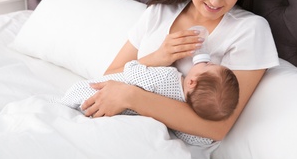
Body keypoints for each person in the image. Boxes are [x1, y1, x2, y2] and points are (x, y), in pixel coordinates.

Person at [81, 0, 279, 159]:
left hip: (163, 151)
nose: (216, 1)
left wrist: (132, 97)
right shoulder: (160, 12)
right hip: (112, 126)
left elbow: (217, 127)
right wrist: (156, 58)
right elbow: (108, 78)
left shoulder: (249, 31)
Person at [56, 60, 239, 146]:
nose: (207, 61)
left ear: (192, 82)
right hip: (119, 116)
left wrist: (134, 64)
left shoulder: (168, 77)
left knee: (81, 98)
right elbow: (200, 138)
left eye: (208, 65)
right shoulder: (186, 120)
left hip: (98, 94)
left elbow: (131, 72)